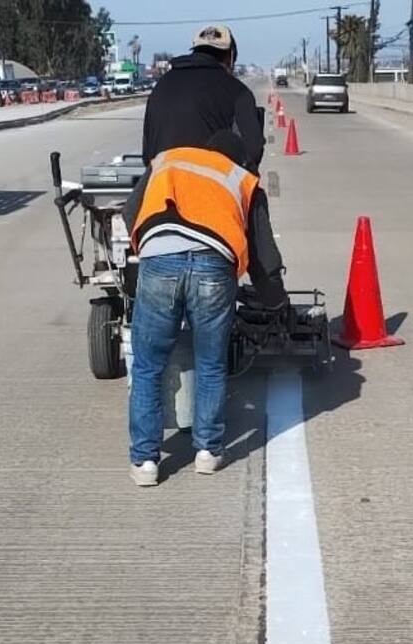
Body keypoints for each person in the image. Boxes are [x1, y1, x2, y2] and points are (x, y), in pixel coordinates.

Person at [126, 128, 289, 487]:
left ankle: (146, 462)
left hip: (159, 261)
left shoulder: (168, 160)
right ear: (238, 158)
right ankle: (208, 451)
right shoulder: (242, 179)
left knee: (149, 366)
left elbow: (130, 212)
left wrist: (149, 249)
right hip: (214, 265)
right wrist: (276, 299)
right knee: (211, 362)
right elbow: (262, 252)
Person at [141, 25, 265, 173]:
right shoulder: (237, 91)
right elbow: (253, 152)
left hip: (161, 189)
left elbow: (147, 154)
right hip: (212, 192)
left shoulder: (160, 86)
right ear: (231, 58)